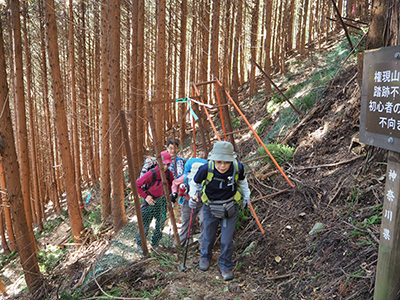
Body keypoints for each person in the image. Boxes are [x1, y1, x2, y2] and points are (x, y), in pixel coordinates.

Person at [189, 141, 251, 281]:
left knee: (227, 240)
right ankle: (205, 257)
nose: (222, 166)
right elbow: (194, 183)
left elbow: (242, 182)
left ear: (232, 160)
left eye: (226, 162)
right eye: (219, 162)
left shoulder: (237, 168)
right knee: (208, 235)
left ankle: (225, 265)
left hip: (230, 207)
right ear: (213, 159)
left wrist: (247, 196)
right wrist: (192, 196)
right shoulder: (206, 169)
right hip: (210, 206)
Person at [136, 151, 174, 250]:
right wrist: (146, 197)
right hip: (150, 201)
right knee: (145, 224)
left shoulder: (169, 174)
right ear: (158, 162)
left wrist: (170, 193)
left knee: (160, 223)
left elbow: (171, 184)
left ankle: (155, 244)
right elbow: (137, 184)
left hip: (161, 202)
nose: (165, 167)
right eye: (163, 164)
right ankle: (141, 244)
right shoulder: (151, 173)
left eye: (167, 164)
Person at [171, 157, 207, 246]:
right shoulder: (186, 177)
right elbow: (175, 183)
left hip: (203, 203)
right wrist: (174, 193)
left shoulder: (207, 179)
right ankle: (179, 245)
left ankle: (203, 244)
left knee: (204, 221)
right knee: (186, 223)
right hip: (188, 203)